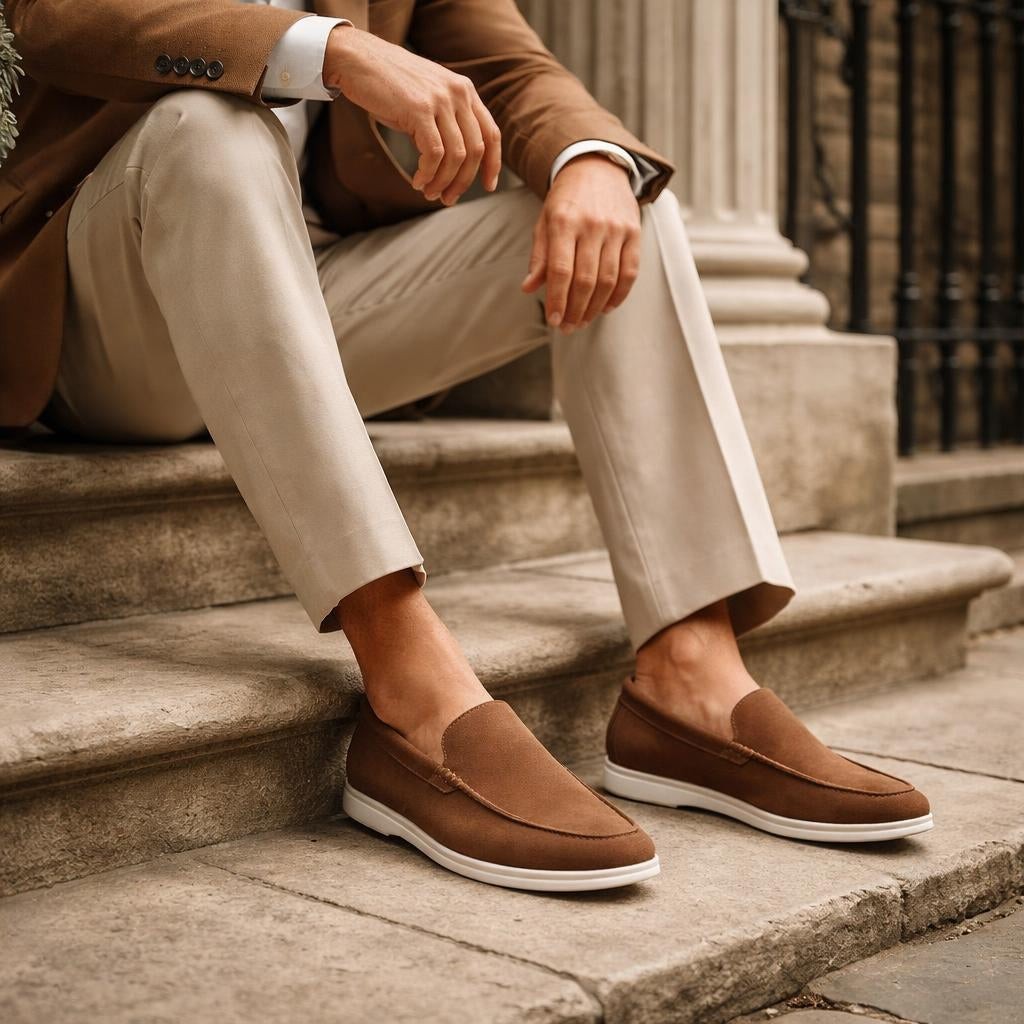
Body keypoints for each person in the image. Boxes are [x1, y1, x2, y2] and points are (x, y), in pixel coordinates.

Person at [0, 0, 932, 893]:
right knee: (214, 124)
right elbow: (57, 18)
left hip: (304, 300)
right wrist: (327, 47)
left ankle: (690, 682)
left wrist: (590, 159)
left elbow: (513, 65)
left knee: (621, 202)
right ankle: (411, 693)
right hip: (110, 323)